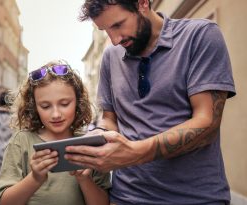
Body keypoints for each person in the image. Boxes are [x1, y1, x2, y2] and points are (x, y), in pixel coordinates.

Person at [64, 0, 236, 204]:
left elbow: (207, 122)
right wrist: (98, 135)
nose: (115, 39)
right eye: (105, 30)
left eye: (118, 25)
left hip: (196, 198)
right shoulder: (110, 56)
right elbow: (110, 119)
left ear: (143, 3)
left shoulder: (200, 35)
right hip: (126, 197)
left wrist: (134, 153)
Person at [0, 60, 111, 205]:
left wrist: (84, 179)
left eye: (64, 104)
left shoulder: (91, 144)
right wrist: (35, 178)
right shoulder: (21, 141)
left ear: (78, 101)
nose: (56, 114)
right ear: (34, 107)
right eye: (45, 106)